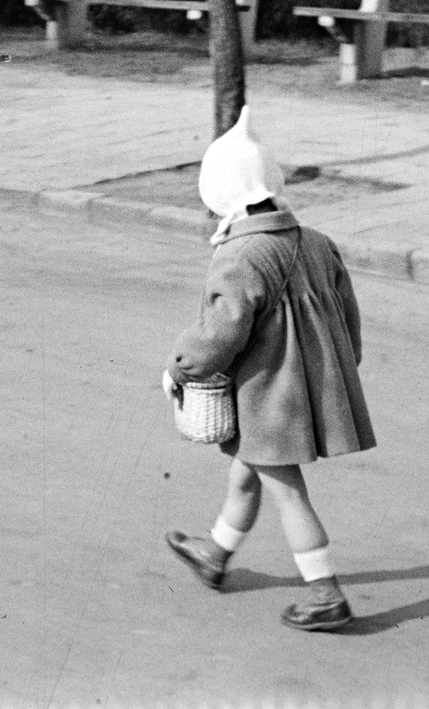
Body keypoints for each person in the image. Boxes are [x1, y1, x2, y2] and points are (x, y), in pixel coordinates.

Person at [162, 106, 375, 632]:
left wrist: (180, 369)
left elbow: (219, 334)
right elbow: (348, 319)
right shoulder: (318, 243)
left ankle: (325, 594)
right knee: (246, 474)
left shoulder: (241, 255)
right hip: (305, 390)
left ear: (219, 192)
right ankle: (214, 554)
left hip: (270, 399)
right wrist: (338, 371)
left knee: (288, 492)